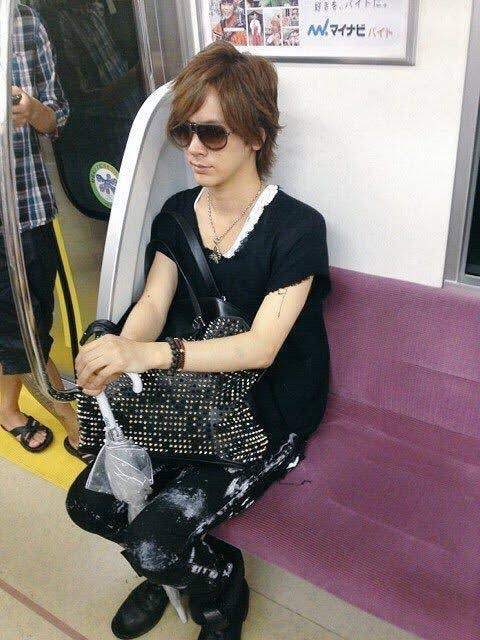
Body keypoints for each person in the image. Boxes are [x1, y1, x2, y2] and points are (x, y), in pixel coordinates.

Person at [66, 41, 331, 640]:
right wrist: (119, 355)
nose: (193, 149)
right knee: (89, 505)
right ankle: (174, 568)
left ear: (256, 135)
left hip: (263, 407)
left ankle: (216, 587)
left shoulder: (297, 228)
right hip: (185, 397)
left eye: (212, 133)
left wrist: (149, 354)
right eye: (184, 132)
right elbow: (154, 304)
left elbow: (262, 347)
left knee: (154, 544)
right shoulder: (178, 212)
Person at [0, 4, 84, 458]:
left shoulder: (26, 22)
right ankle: (70, 418)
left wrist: (33, 111)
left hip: (26, 206)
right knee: (17, 327)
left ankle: (6, 406)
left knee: (33, 319)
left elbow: (58, 119)